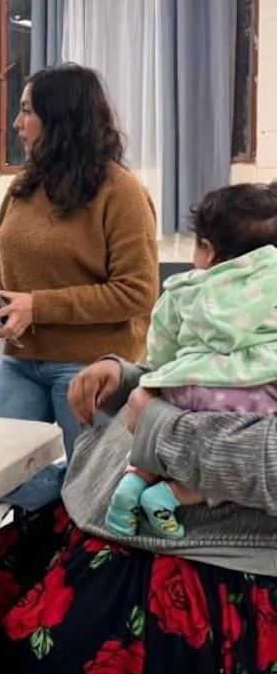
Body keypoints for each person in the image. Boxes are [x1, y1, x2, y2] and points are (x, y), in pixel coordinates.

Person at [0, 350, 277, 674]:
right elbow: (211, 367)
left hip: (201, 560)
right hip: (107, 520)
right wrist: (130, 379)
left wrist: (157, 425)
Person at [0, 64, 159, 509]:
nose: (17, 124)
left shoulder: (121, 192)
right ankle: (48, 528)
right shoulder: (25, 186)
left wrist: (38, 306)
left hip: (87, 367)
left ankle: (64, 534)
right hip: (22, 360)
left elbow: (137, 291)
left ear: (60, 118)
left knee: (90, 489)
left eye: (27, 111)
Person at [107, 183, 277, 539]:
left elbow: (161, 355)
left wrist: (155, 388)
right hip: (253, 394)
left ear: (207, 249)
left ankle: (133, 482)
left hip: (186, 387)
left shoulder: (184, 288)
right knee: (226, 450)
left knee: (159, 434)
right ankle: (173, 495)